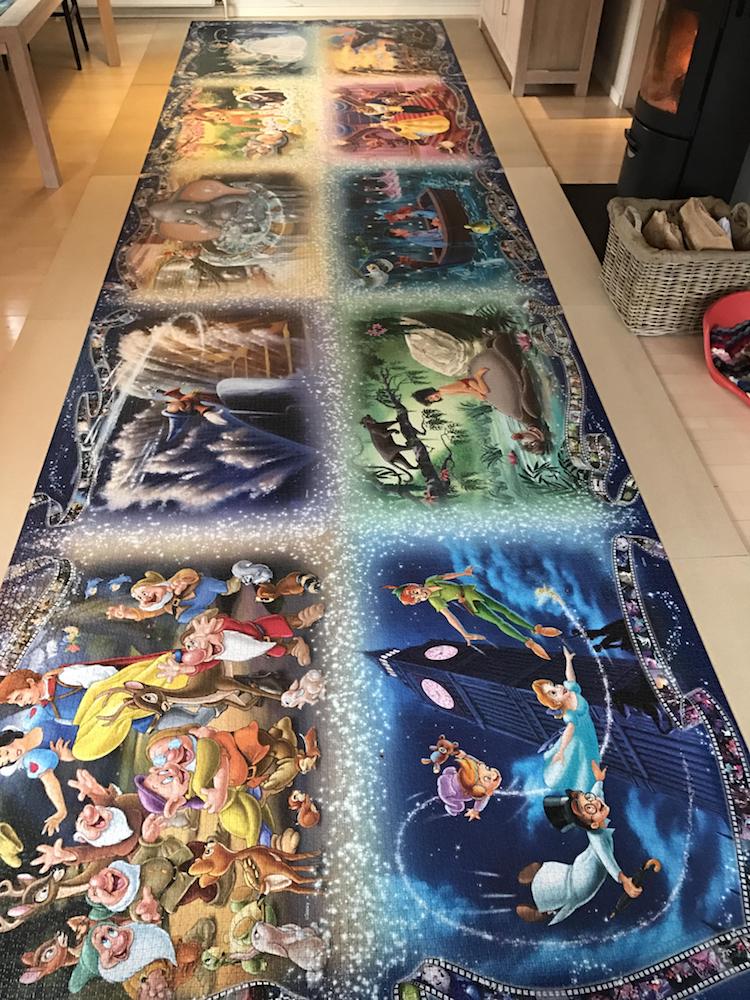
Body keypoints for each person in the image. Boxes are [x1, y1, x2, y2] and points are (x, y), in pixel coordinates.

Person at [515, 760, 642, 924]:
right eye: (590, 808)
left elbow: (597, 798)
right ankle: (542, 906)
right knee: (561, 888)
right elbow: (607, 860)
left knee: (564, 887)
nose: (595, 802)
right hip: (576, 883)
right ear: (593, 824)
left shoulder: (596, 820)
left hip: (578, 878)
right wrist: (623, 880)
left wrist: (599, 781)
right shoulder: (597, 838)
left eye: (589, 798)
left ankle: (541, 892)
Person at [385, 566, 560, 659]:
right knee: (498, 621)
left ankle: (535, 629)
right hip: (469, 603)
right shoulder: (434, 601)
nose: (420, 595)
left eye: (416, 592)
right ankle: (527, 641)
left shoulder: (430, 580)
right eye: (417, 599)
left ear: (415, 586)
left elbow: (447, 576)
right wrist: (464, 633)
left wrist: (463, 573)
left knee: (504, 610)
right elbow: (450, 616)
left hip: (470, 592)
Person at [532, 647, 601, 792]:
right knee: (584, 764)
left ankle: (588, 787)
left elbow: (570, 677)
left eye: (554, 685)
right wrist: (561, 751)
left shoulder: (573, 691)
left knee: (590, 759)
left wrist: (568, 660)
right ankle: (585, 789)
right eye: (553, 692)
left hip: (588, 732)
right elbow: (570, 730)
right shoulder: (569, 713)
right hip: (578, 740)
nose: (558, 687)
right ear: (556, 702)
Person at [412, 369, 490, 405]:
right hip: (469, 388)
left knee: (484, 391)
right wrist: (474, 394)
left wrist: (476, 393)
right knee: (482, 395)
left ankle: (478, 376)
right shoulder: (444, 394)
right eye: (432, 400)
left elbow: (463, 388)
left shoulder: (443, 389)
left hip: (467, 383)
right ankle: (477, 381)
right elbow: (461, 392)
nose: (434, 398)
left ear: (429, 392)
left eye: (430, 396)